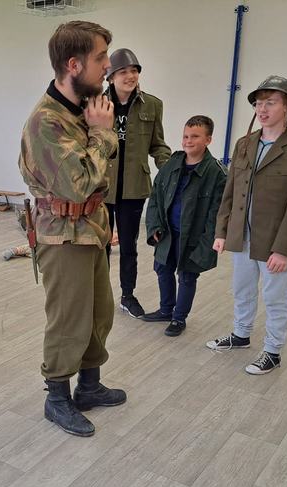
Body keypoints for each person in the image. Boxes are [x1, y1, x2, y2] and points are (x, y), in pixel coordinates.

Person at [18, 21, 126, 438]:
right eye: (101, 58)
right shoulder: (46, 122)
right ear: (73, 64)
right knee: (68, 319)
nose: (107, 66)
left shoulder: (81, 109)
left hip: (90, 229)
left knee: (98, 313)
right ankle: (57, 398)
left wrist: (100, 132)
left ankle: (89, 386)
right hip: (62, 235)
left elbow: (99, 173)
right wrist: (102, 134)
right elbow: (79, 183)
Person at [207, 75, 287, 374]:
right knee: (242, 289)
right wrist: (222, 231)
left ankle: (273, 351)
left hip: (273, 240)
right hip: (240, 235)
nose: (262, 109)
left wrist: (283, 248)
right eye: (258, 103)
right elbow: (230, 191)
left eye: (270, 103)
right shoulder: (245, 144)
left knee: (275, 298)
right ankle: (241, 334)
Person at [103, 48, 171, 319]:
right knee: (100, 245)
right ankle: (99, 294)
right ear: (111, 77)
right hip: (101, 187)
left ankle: (127, 295)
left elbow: (158, 145)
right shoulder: (95, 104)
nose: (130, 76)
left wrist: (170, 168)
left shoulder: (152, 105)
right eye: (123, 72)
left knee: (129, 246)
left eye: (134, 71)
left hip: (134, 187)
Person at [145, 115, 227, 336]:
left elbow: (217, 214)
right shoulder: (173, 163)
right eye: (185, 136)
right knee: (162, 268)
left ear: (208, 140)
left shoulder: (216, 173)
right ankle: (166, 310)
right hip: (168, 232)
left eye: (195, 136)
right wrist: (154, 226)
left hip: (193, 236)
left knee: (187, 275)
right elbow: (156, 196)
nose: (188, 141)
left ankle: (179, 318)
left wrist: (207, 243)